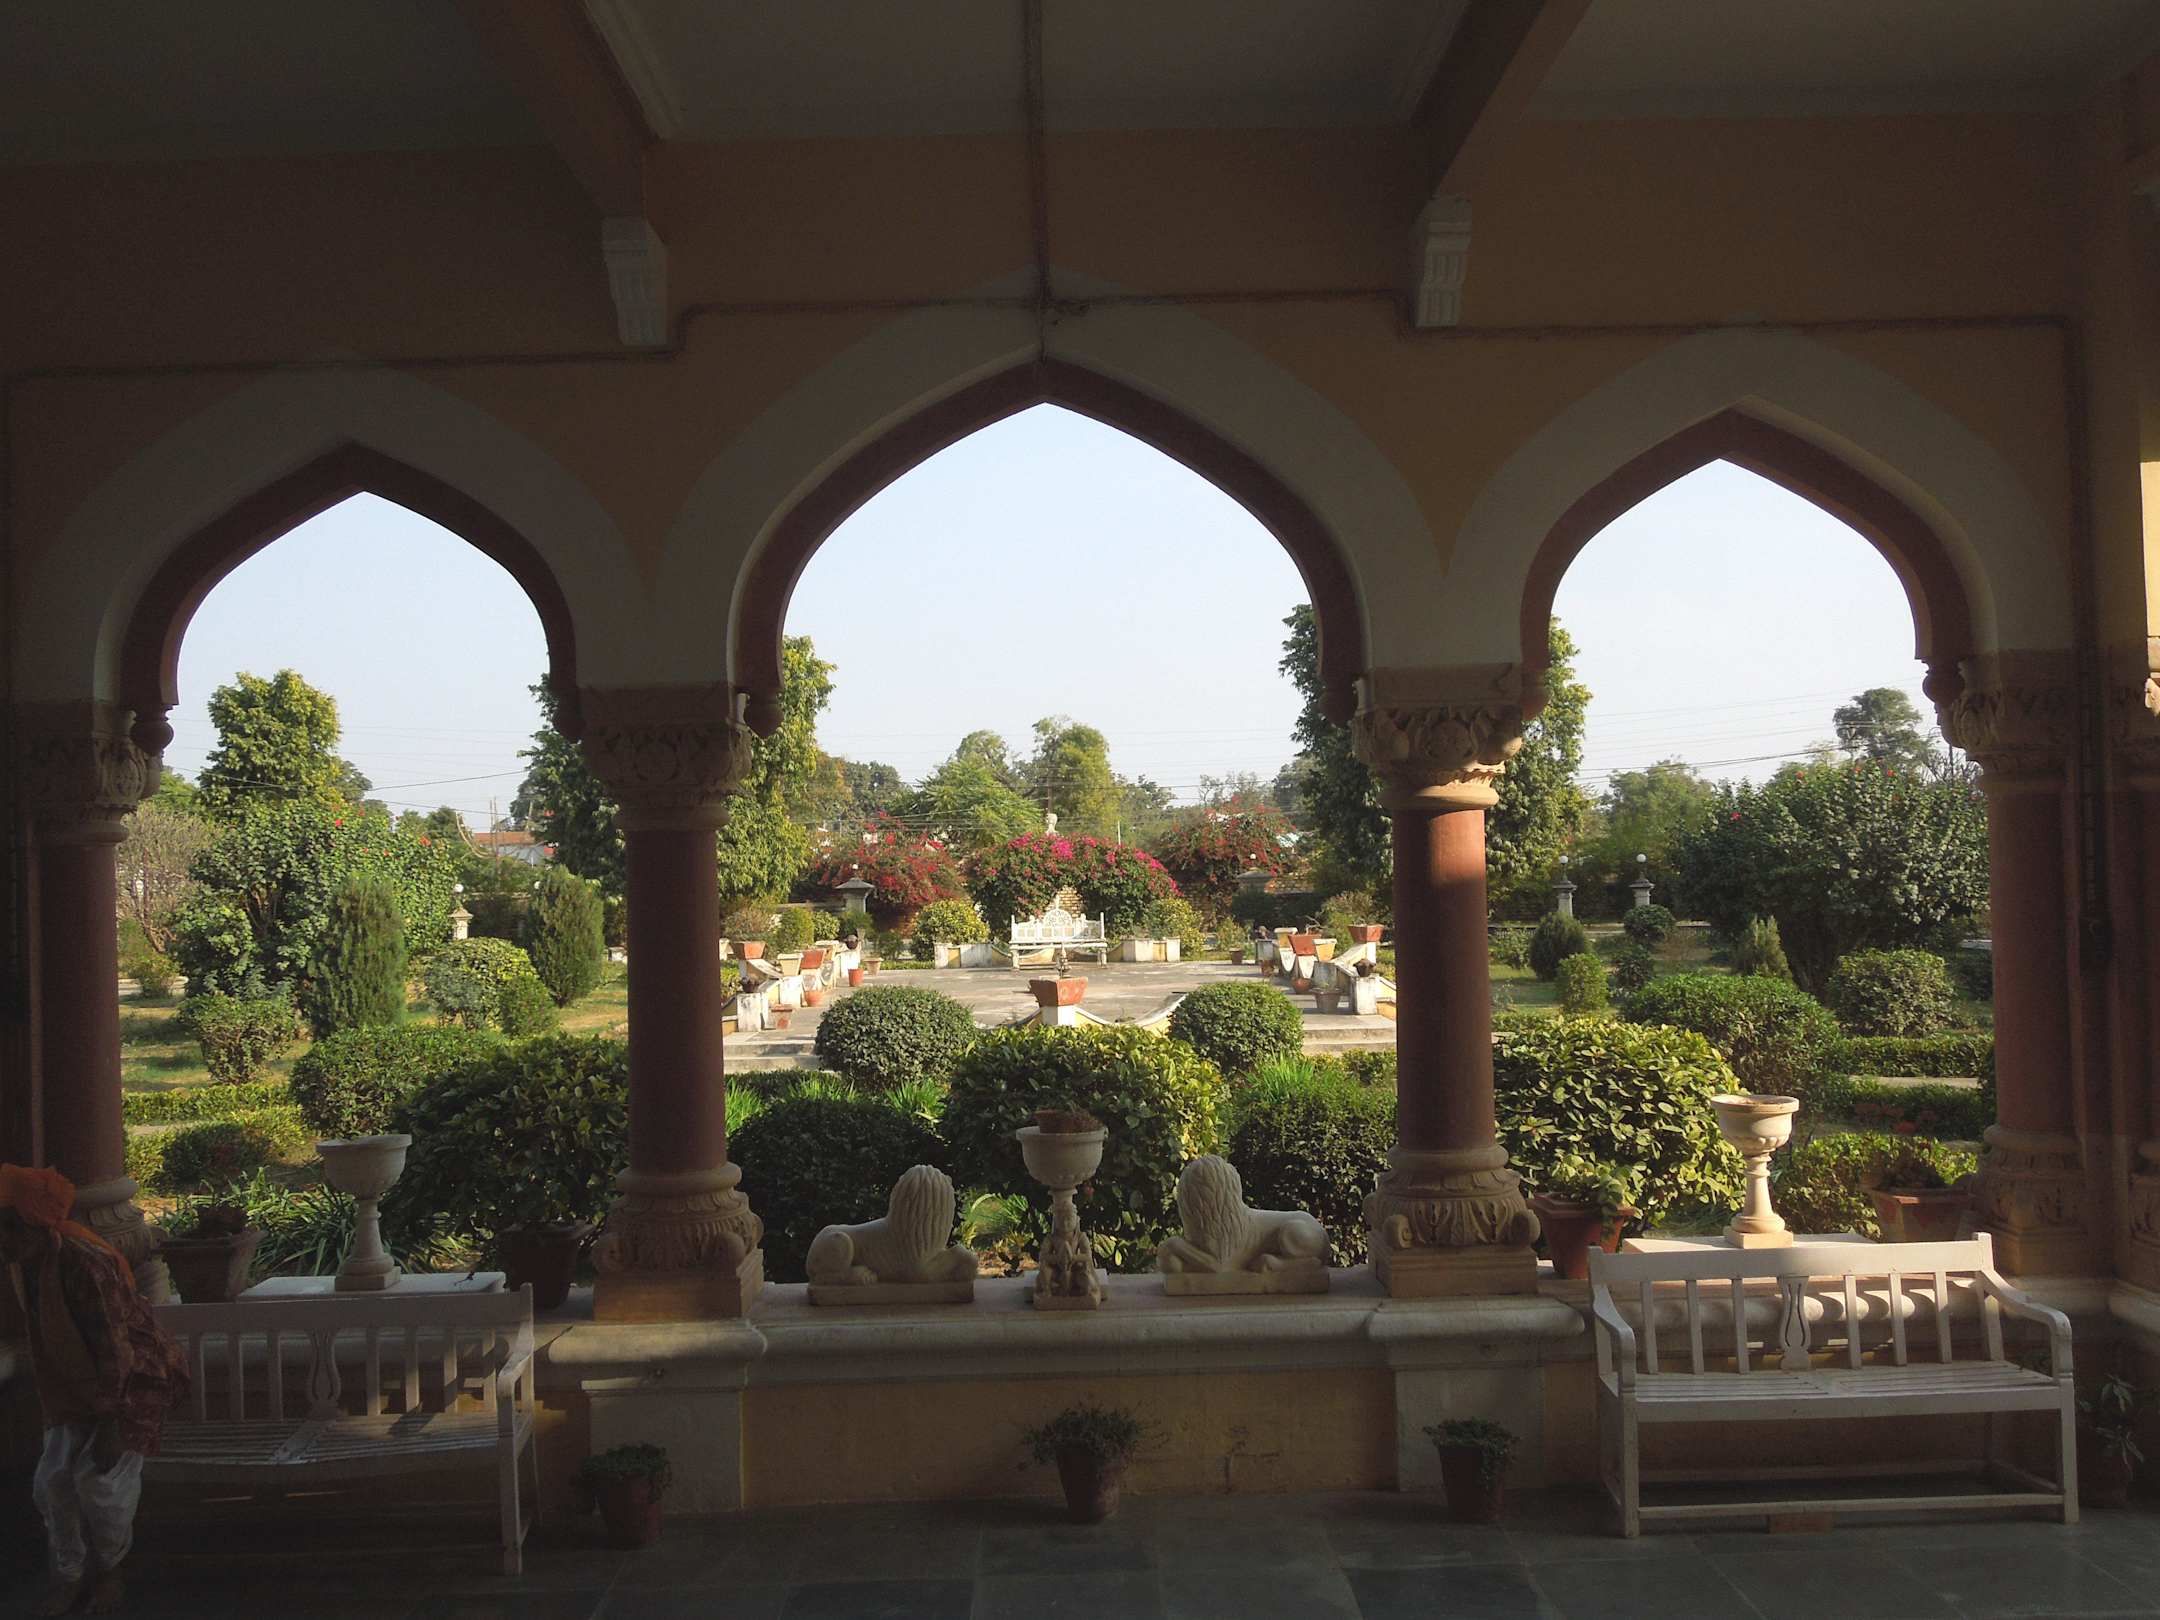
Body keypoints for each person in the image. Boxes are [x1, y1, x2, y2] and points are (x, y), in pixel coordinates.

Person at [0, 1165, 187, 1616]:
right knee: (52, 1482)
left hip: (134, 1387)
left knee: (99, 1483)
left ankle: (109, 1573)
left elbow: (117, 1353)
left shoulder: (86, 1264)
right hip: (77, 1392)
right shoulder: (29, 1265)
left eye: (5, 1230)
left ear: (30, 1225)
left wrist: (111, 1427)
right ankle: (69, 1575)